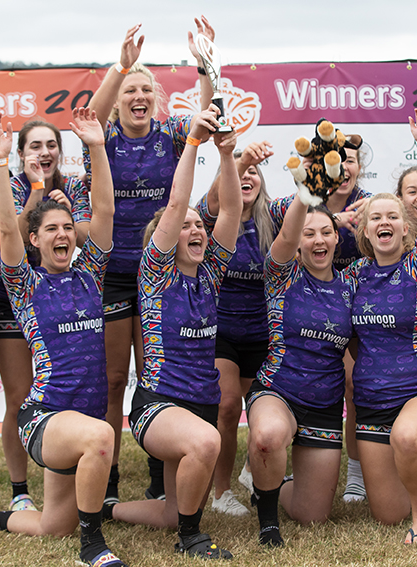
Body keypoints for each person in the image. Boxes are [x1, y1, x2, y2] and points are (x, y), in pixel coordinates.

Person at [0, 107, 125, 567]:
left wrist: (96, 146)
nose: (62, 234)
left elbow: (105, 211)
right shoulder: (25, 285)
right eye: (51, 229)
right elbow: (5, 227)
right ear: (35, 240)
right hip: (45, 420)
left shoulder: (91, 274)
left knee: (54, 525)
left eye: (68, 227)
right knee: (103, 436)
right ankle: (93, 547)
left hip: (80, 425)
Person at [86, 19, 214, 504]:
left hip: (162, 276)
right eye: (129, 91)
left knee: (159, 374)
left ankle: (162, 478)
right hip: (114, 275)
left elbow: (206, 116)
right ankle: (109, 480)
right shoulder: (105, 138)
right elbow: (91, 116)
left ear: (156, 101)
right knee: (114, 379)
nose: (138, 97)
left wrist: (204, 63)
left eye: (145, 90)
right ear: (120, 100)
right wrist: (121, 68)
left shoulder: (171, 133)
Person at [106, 107, 238, 559]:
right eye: (185, 227)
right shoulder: (155, 274)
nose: (195, 228)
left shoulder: (211, 274)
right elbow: (178, 202)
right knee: (207, 442)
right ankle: (191, 538)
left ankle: (107, 509)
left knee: (168, 510)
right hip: (157, 407)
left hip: (201, 405)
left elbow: (231, 209)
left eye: (199, 225)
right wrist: (194, 142)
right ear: (163, 239)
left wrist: (227, 156)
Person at [343, 109, 417, 545]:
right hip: (371, 404)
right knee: (387, 514)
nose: (383, 222)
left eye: (392, 217)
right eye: (375, 218)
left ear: (406, 229)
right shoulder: (351, 277)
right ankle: (407, 498)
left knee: (408, 437)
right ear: (364, 231)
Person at [0, 118, 91, 512]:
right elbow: (13, 233)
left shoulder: (74, 186)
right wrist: (37, 191)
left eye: (51, 144)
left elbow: (89, 234)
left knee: (66, 391)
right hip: (14, 300)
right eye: (35, 146)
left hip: (64, 301)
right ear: (20, 153)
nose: (44, 152)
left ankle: (69, 477)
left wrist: (66, 216)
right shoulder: (13, 185)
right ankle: (20, 490)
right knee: (19, 396)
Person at [247, 195, 354, 547]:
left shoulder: (352, 287)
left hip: (324, 405)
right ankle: (268, 523)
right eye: (309, 234)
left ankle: (266, 483)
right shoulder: (282, 275)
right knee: (268, 436)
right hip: (278, 391)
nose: (318, 240)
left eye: (325, 232)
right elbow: (286, 237)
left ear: (337, 238)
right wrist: (305, 195)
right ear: (297, 242)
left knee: (313, 515)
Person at [196, 142, 277, 516]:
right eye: (240, 172)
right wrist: (240, 161)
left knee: (265, 413)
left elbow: (305, 214)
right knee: (227, 406)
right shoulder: (210, 220)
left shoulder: (272, 219)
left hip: (263, 335)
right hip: (220, 333)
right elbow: (215, 197)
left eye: (253, 172)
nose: (247, 176)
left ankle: (252, 473)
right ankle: (220, 492)